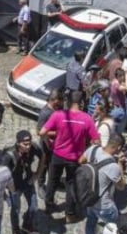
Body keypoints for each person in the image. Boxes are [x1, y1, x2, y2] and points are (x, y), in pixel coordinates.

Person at [41, 90, 101, 222]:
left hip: (57, 154)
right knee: (71, 185)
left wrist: (49, 141)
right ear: (82, 102)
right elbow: (96, 141)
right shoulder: (87, 119)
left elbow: (42, 132)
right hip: (75, 159)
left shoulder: (58, 115)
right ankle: (69, 213)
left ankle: (49, 206)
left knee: (52, 181)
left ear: (68, 101)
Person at [82, 134, 127, 234]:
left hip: (89, 198)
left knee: (91, 222)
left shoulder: (93, 149)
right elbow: (121, 186)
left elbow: (81, 160)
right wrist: (120, 164)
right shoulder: (113, 167)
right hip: (104, 204)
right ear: (118, 148)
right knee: (114, 227)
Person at [3, 130, 44, 234]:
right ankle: (15, 229)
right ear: (18, 143)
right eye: (25, 144)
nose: (28, 146)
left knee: (34, 207)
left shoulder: (33, 148)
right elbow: (2, 174)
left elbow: (43, 156)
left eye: (29, 143)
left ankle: (27, 224)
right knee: (16, 210)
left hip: (28, 182)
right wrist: (9, 189)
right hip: (15, 186)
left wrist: (37, 174)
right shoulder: (9, 156)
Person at [36, 91, 63, 196]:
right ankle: (41, 185)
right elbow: (39, 131)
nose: (61, 103)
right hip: (46, 143)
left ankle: (56, 181)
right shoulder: (45, 113)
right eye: (59, 101)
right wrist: (57, 132)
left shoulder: (57, 109)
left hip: (56, 143)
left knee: (54, 164)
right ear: (54, 100)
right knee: (44, 165)